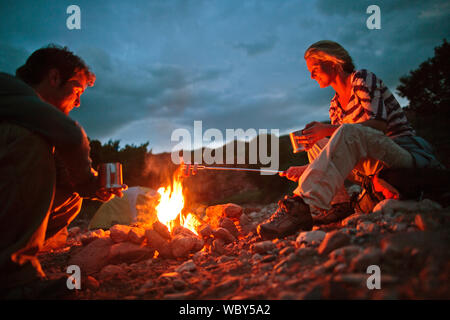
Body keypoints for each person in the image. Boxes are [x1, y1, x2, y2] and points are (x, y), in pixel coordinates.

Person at [257, 40, 443, 240]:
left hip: (400, 152)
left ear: (333, 63)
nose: (311, 75)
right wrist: (304, 170)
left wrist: (327, 129)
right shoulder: (335, 105)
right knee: (318, 144)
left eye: (315, 69)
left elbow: (378, 125)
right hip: (370, 168)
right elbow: (338, 154)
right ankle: (340, 205)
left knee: (343, 132)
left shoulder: (362, 79)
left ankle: (299, 205)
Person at [0, 45, 126, 297]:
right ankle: (12, 279)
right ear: (54, 77)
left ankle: (15, 254)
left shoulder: (26, 112)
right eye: (76, 91)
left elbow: (69, 171)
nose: (78, 102)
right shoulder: (10, 91)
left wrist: (91, 188)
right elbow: (71, 135)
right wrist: (88, 182)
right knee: (29, 142)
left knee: (70, 195)